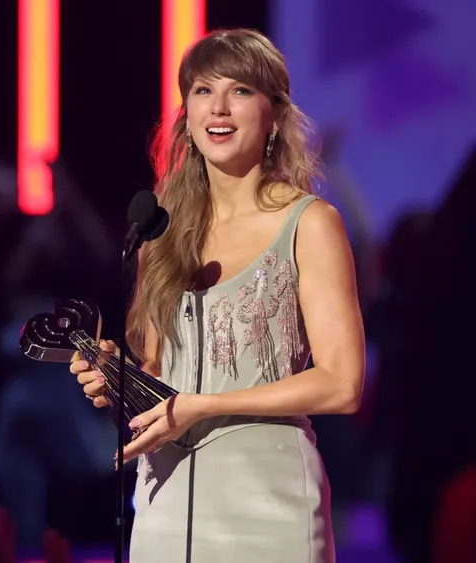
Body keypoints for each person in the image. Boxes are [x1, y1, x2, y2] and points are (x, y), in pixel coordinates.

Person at [70, 29, 364, 562]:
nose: (219, 108)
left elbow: (342, 384)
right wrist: (116, 377)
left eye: (240, 90)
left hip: (269, 502)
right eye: (203, 90)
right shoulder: (160, 231)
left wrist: (202, 406)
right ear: (187, 114)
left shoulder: (310, 223)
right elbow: (161, 377)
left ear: (274, 114)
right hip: (166, 502)